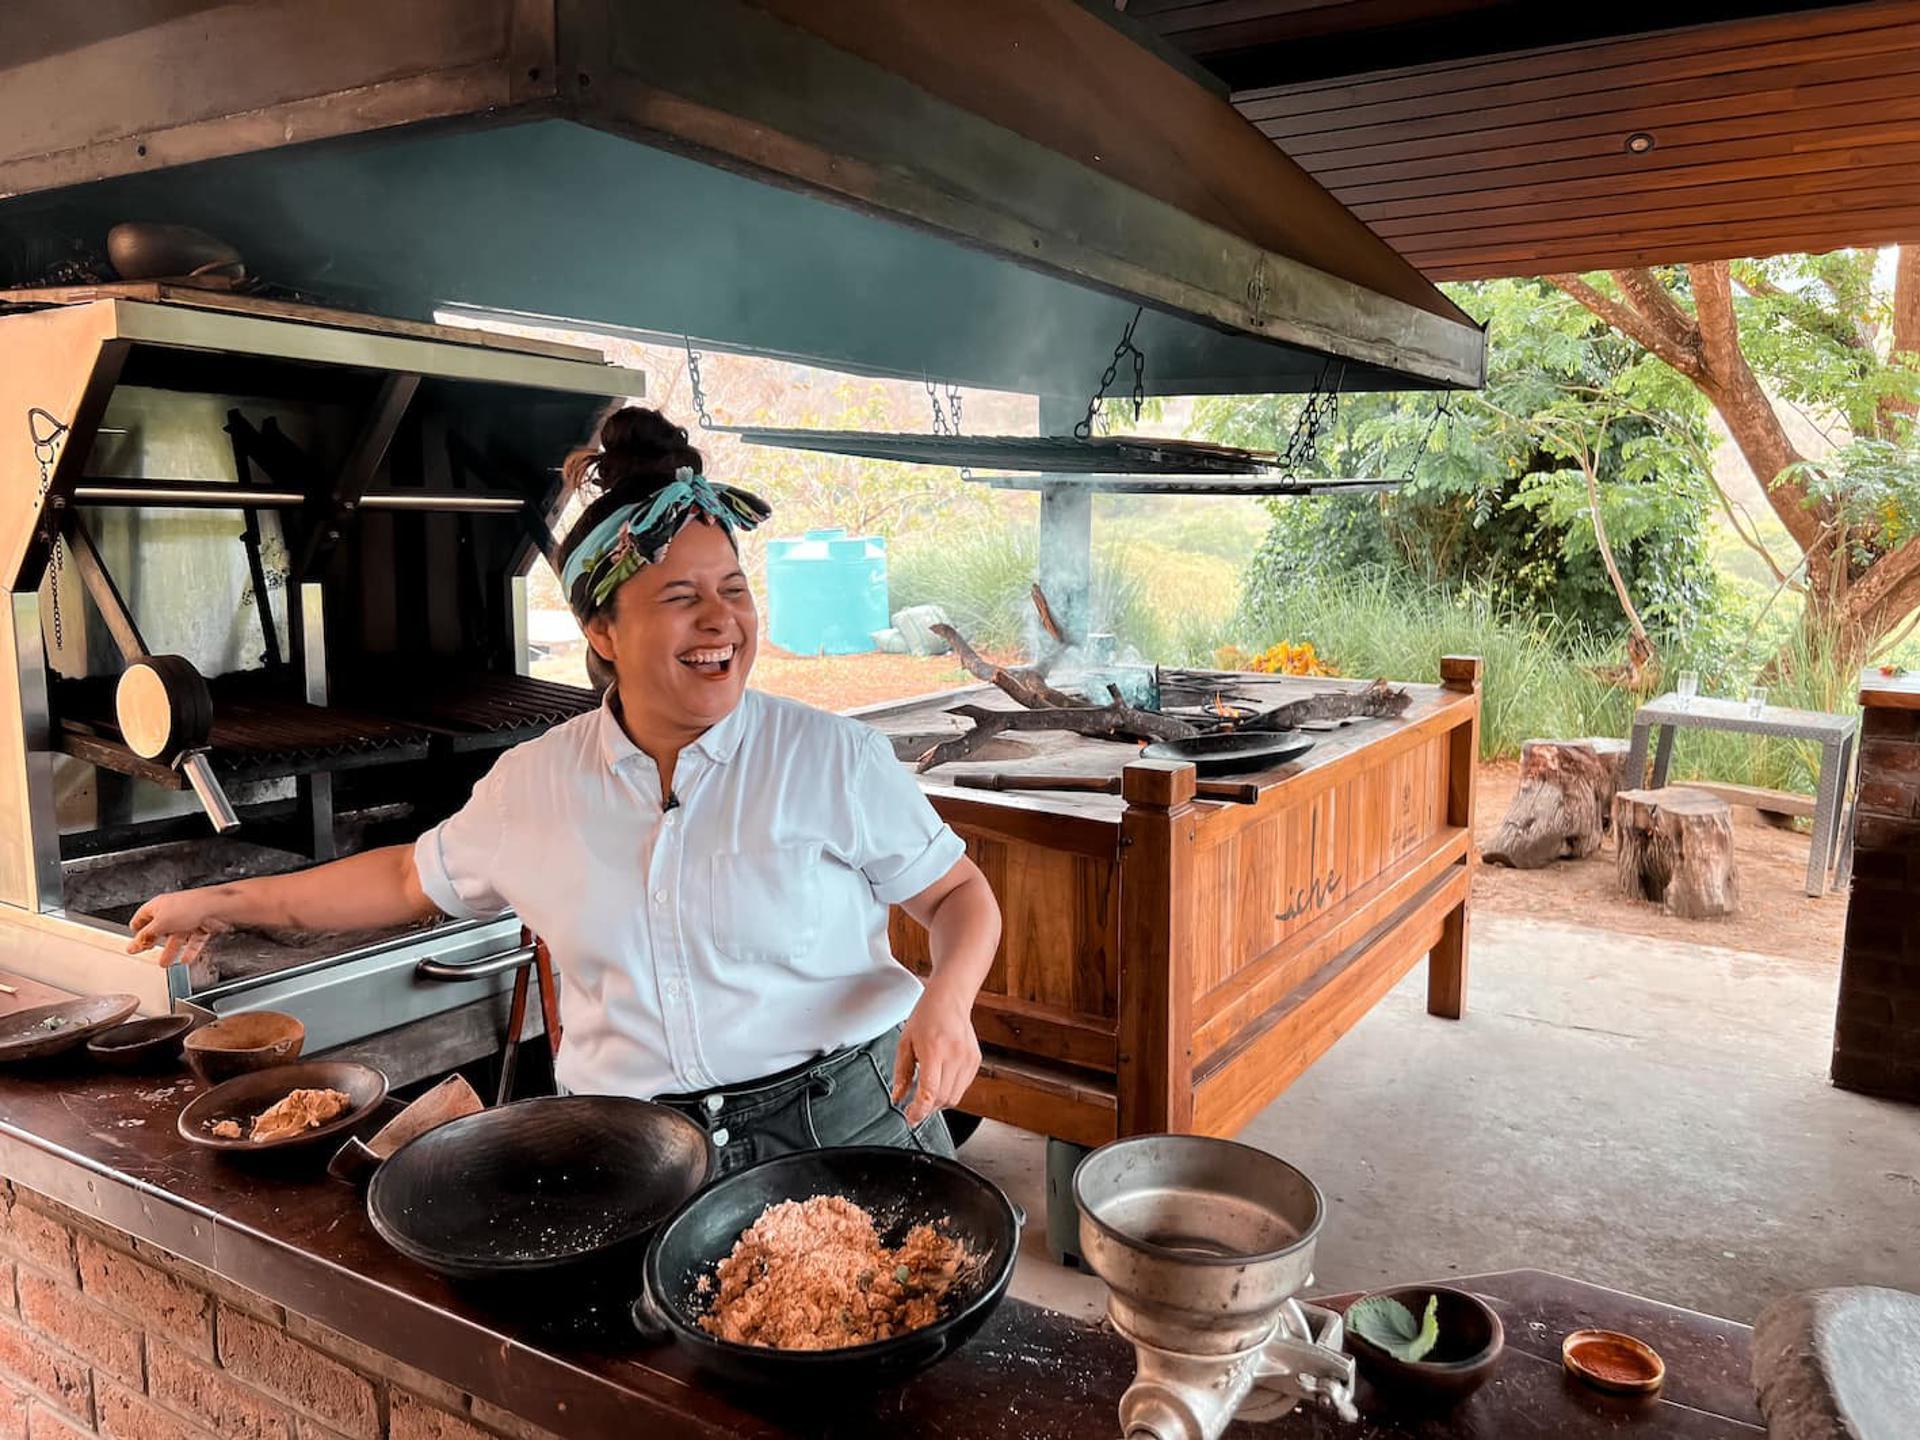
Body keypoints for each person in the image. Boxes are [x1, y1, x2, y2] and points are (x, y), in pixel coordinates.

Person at [128, 408, 1001, 1169]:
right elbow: (403, 880)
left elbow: (961, 897)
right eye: (680, 597)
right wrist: (228, 900)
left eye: (734, 591)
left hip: (844, 1119)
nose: (721, 621)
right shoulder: (534, 785)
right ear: (602, 630)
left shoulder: (829, 758)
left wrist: (948, 1002)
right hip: (634, 1146)